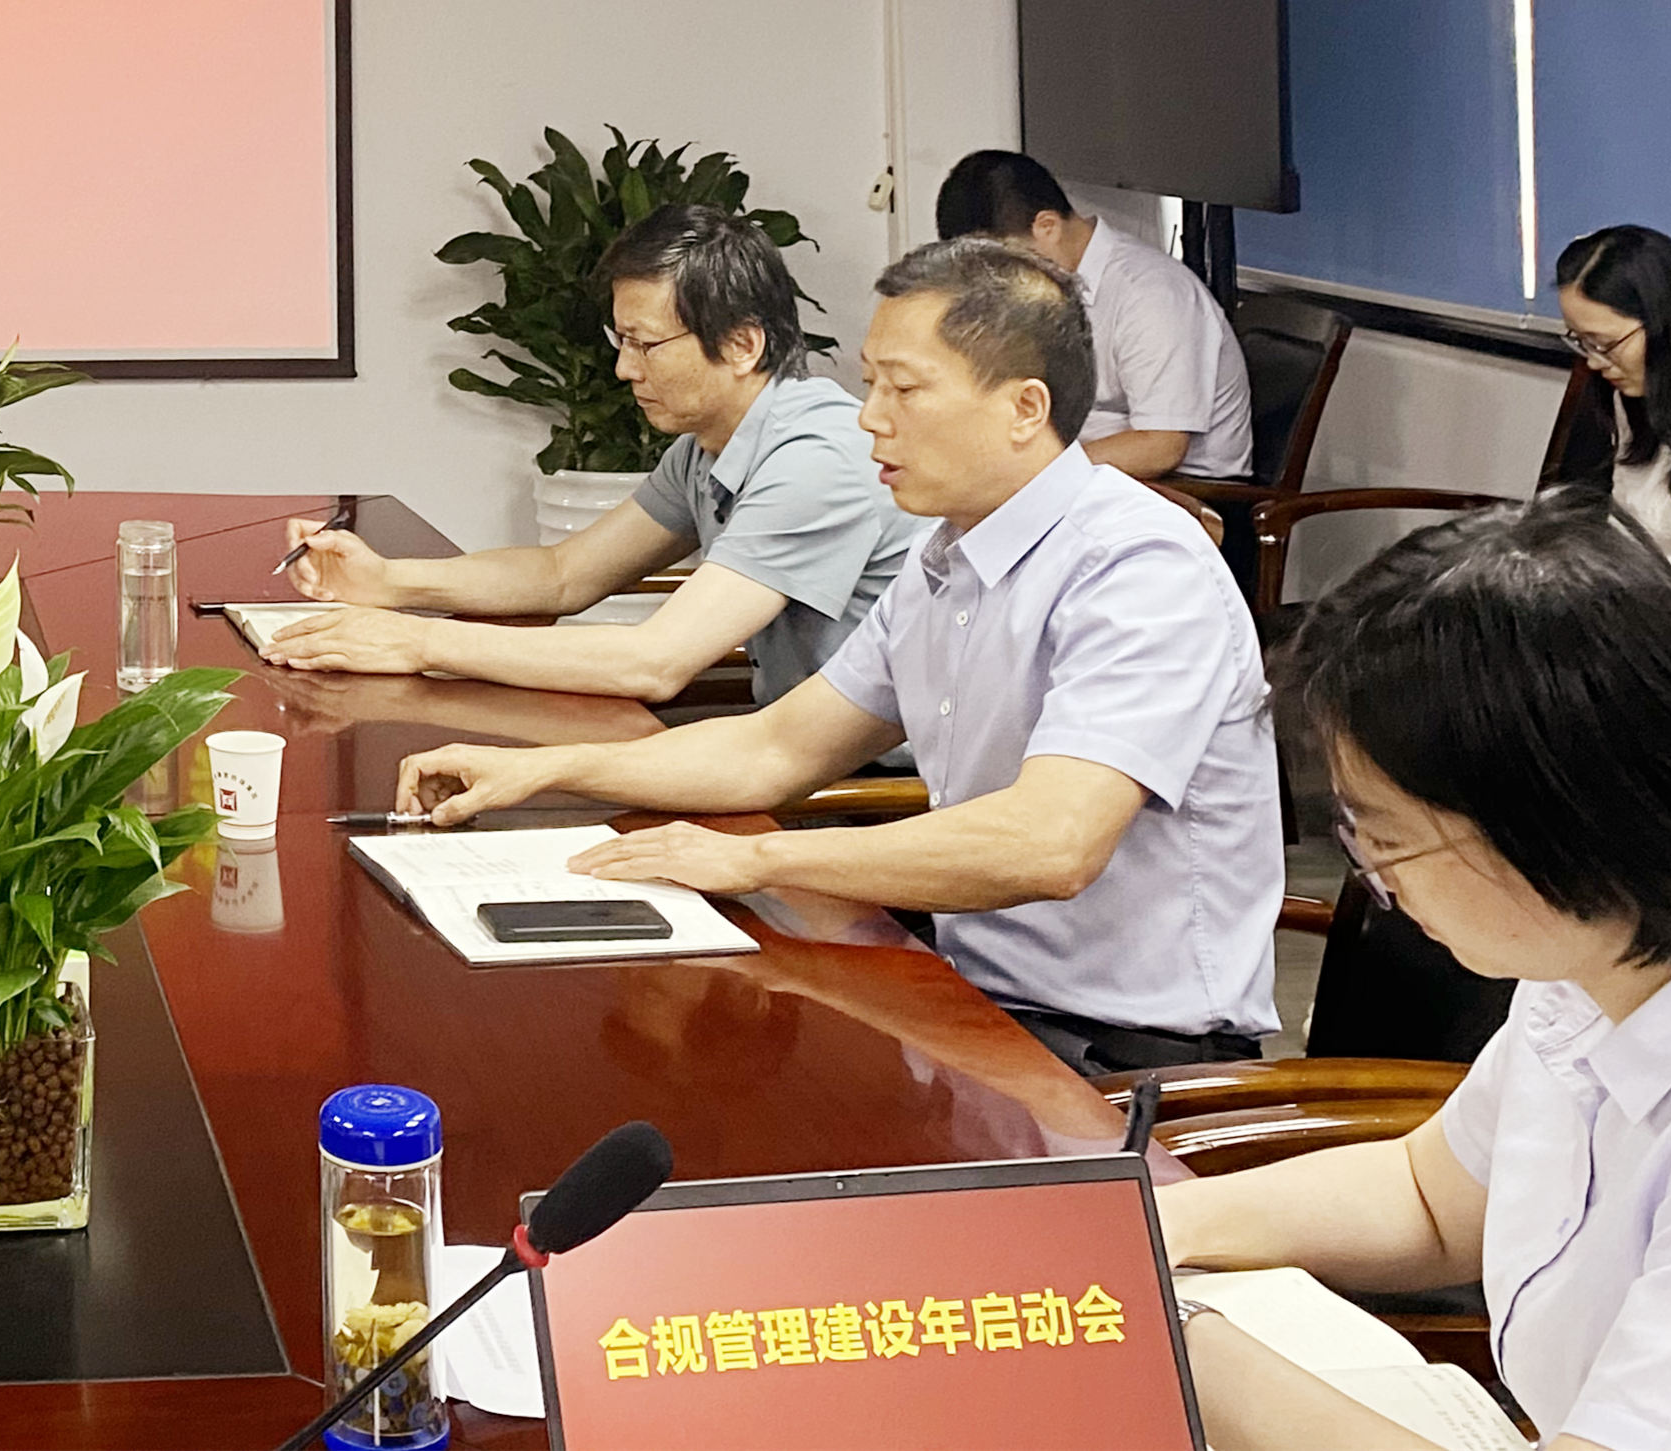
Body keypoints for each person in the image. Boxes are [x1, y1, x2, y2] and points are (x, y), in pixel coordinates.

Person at [395, 237, 1283, 1078]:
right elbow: (776, 747)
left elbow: (1052, 842)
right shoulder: (946, 555)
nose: (870, 419)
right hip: (971, 999)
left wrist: (759, 861)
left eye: (905, 389)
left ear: (1025, 408)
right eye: (869, 383)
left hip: (1120, 1054)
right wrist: (544, 769)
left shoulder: (1136, 566)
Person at [1158, 489, 1671, 1451]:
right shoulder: (1597, 956)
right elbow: (1432, 1195)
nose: (1374, 878)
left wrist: (1177, 1340)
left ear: (1558, 830)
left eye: (1386, 840)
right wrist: (1152, 1227)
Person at [271, 204, 920, 730]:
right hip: (787, 746)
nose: (624, 368)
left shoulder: (815, 459)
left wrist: (416, 644)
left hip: (872, 794)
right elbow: (564, 574)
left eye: (646, 343)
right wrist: (388, 580)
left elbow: (656, 661)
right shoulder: (710, 445)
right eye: (621, 339)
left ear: (742, 344)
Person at [934, 148, 1250, 481]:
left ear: (1047, 226)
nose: (998, 280)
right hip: (1082, 475)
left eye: (1003, 263)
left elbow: (1161, 446)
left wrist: (1034, 472)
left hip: (1179, 492)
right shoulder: (1046, 288)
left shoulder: (1150, 292)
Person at [1551, 223, 1671, 602]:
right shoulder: (1635, 393)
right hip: (1649, 595)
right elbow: (1629, 526)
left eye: (1604, 343)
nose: (1594, 362)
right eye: (1581, 341)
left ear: (1669, 323)